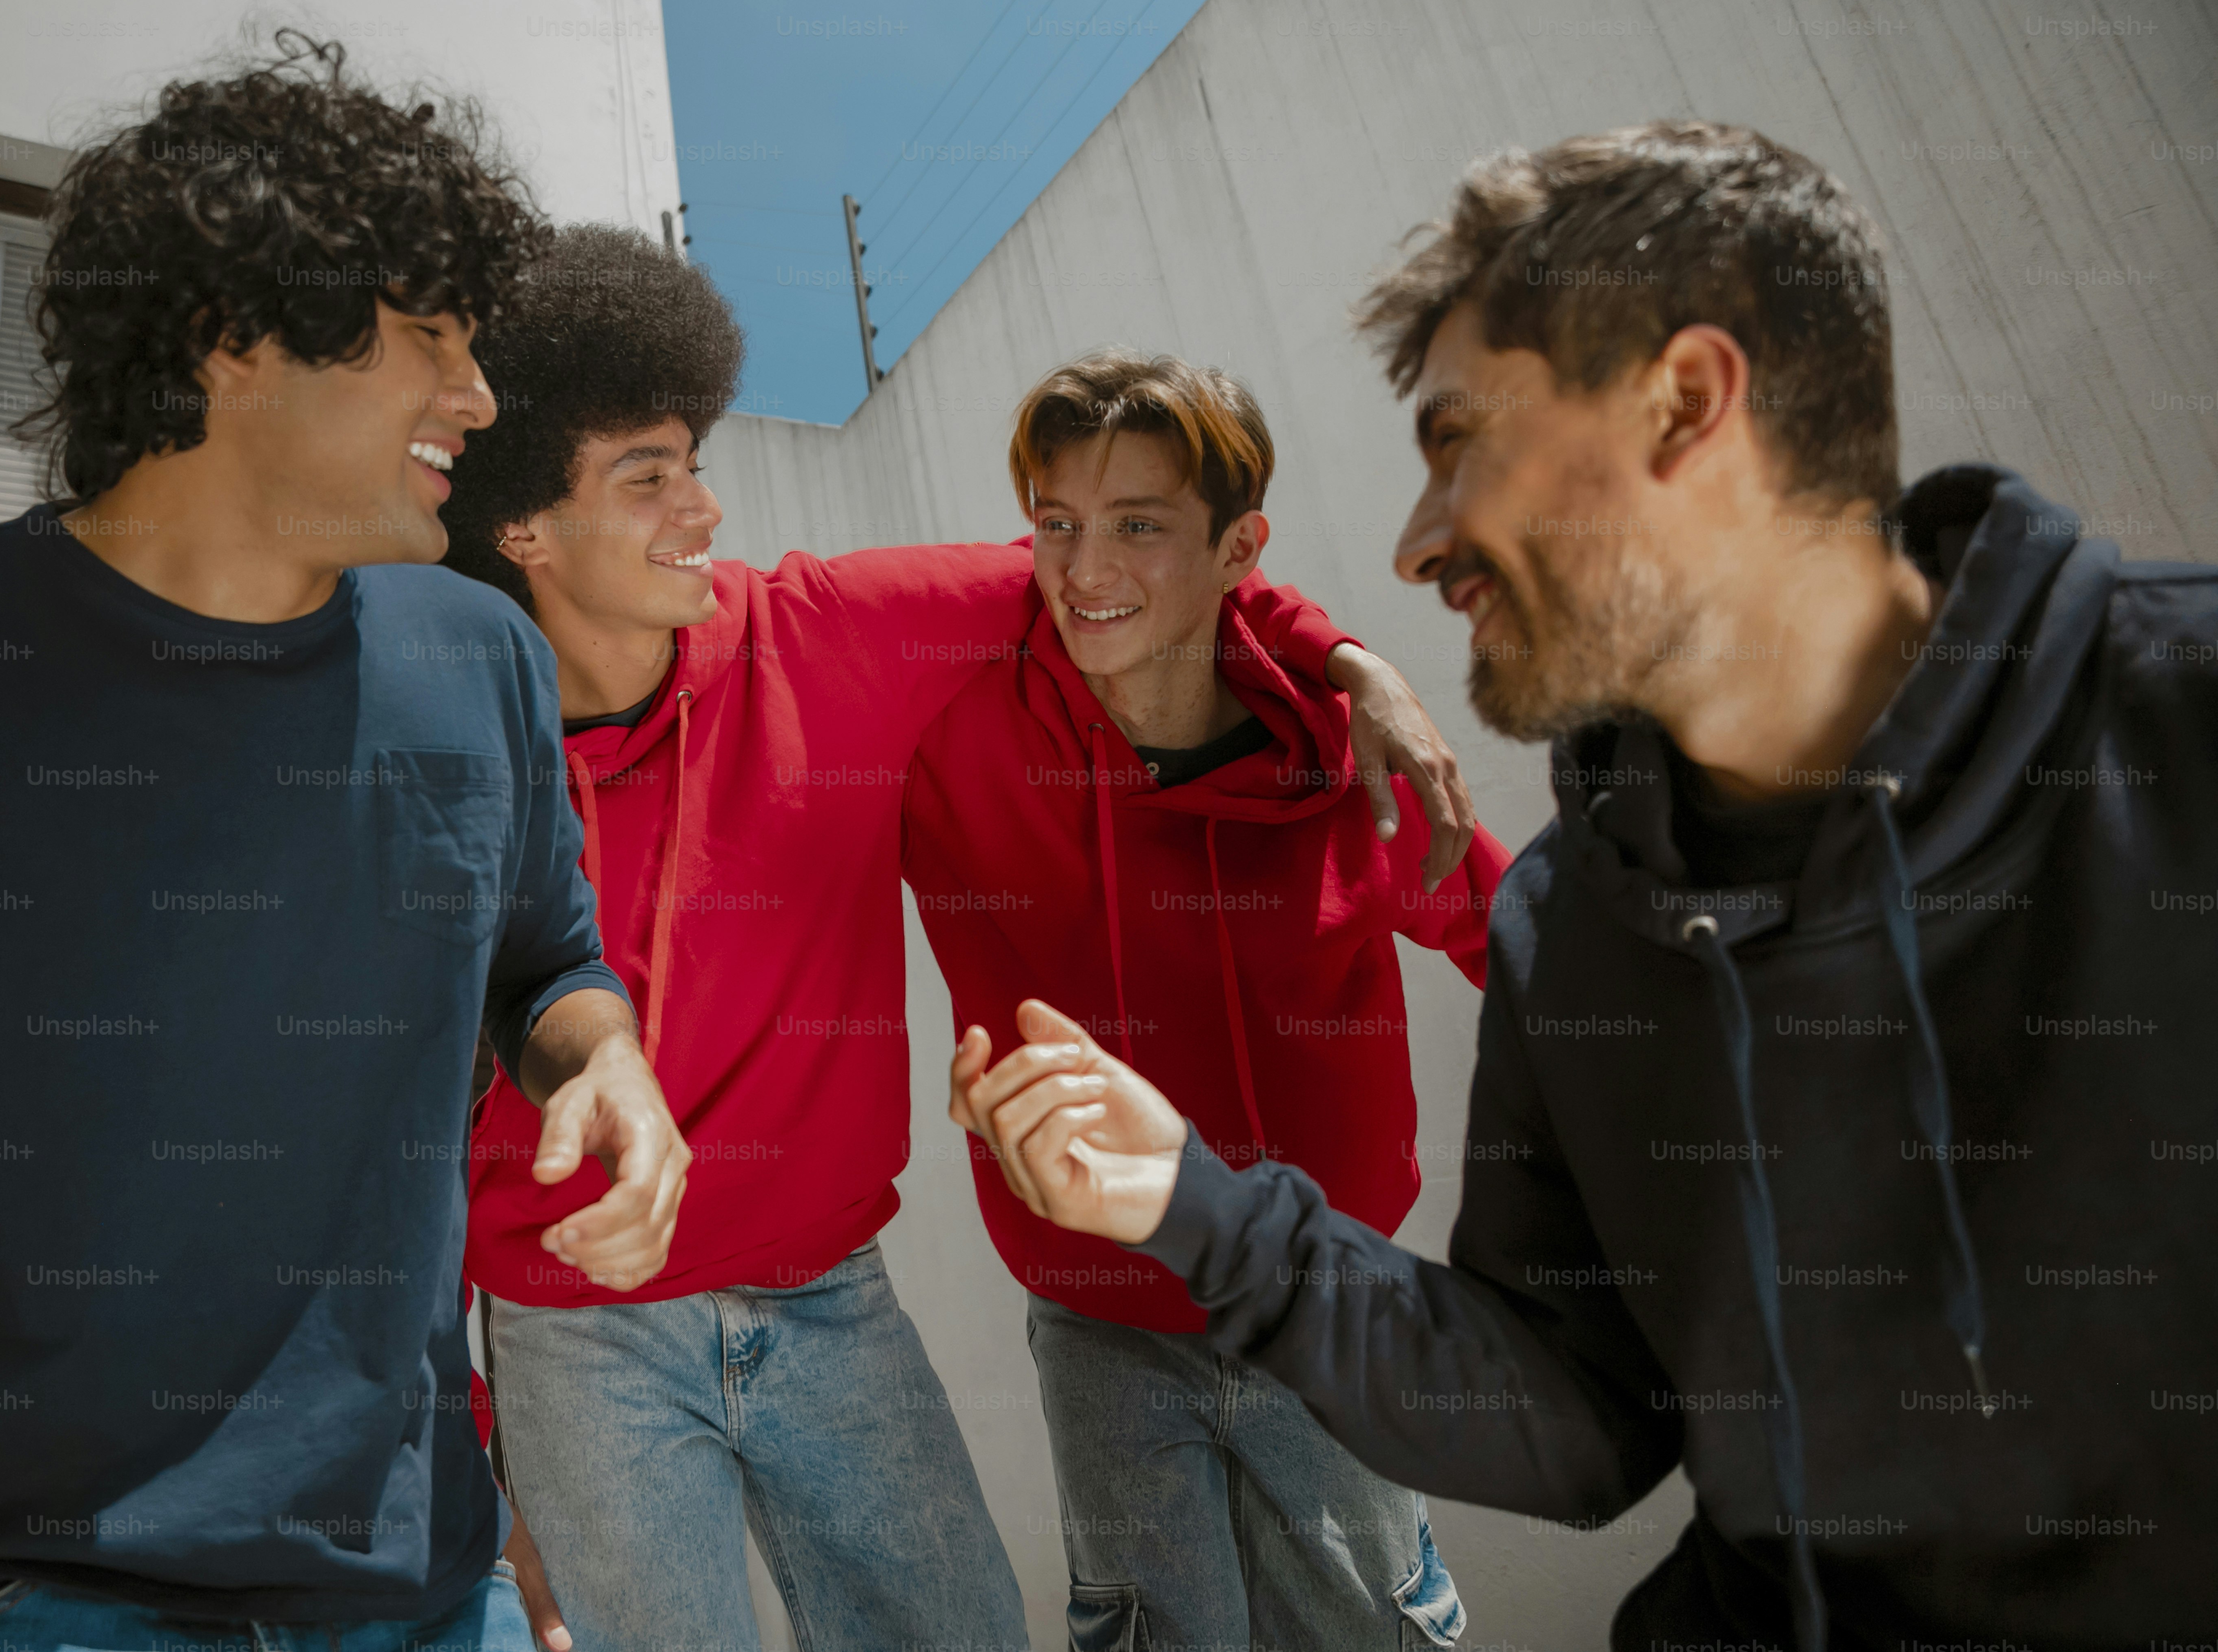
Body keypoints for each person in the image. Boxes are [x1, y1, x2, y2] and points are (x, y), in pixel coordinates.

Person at [951, 121, 2218, 1652]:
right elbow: (1572, 1407)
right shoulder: (1579, 926)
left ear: (1687, 403)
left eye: (1460, 445)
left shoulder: (2178, 719)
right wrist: (1191, 1204)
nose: (1418, 547)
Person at [0, 36, 685, 1652]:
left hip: (422, 1593)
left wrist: (605, 1062)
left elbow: (548, 960)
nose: (481, 397)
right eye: (429, 338)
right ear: (228, 338)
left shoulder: (484, 653)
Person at [436, 222, 1471, 1652]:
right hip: (572, 1334)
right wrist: (481, 1449)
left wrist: (1344, 660)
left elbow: (1128, 567)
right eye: (651, 475)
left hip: (829, 1306)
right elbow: (394, 1138)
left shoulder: (832, 635)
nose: (709, 506)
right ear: (522, 526)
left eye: (697, 458)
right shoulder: (447, 755)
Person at [903, 352, 1504, 1650]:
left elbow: (1523, 949)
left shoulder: (1357, 773)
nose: (1084, 568)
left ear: (1242, 549)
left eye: (1137, 525)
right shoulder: (953, 736)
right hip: (1100, 1319)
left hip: (1322, 1301)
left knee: (1369, 1630)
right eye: (1056, 525)